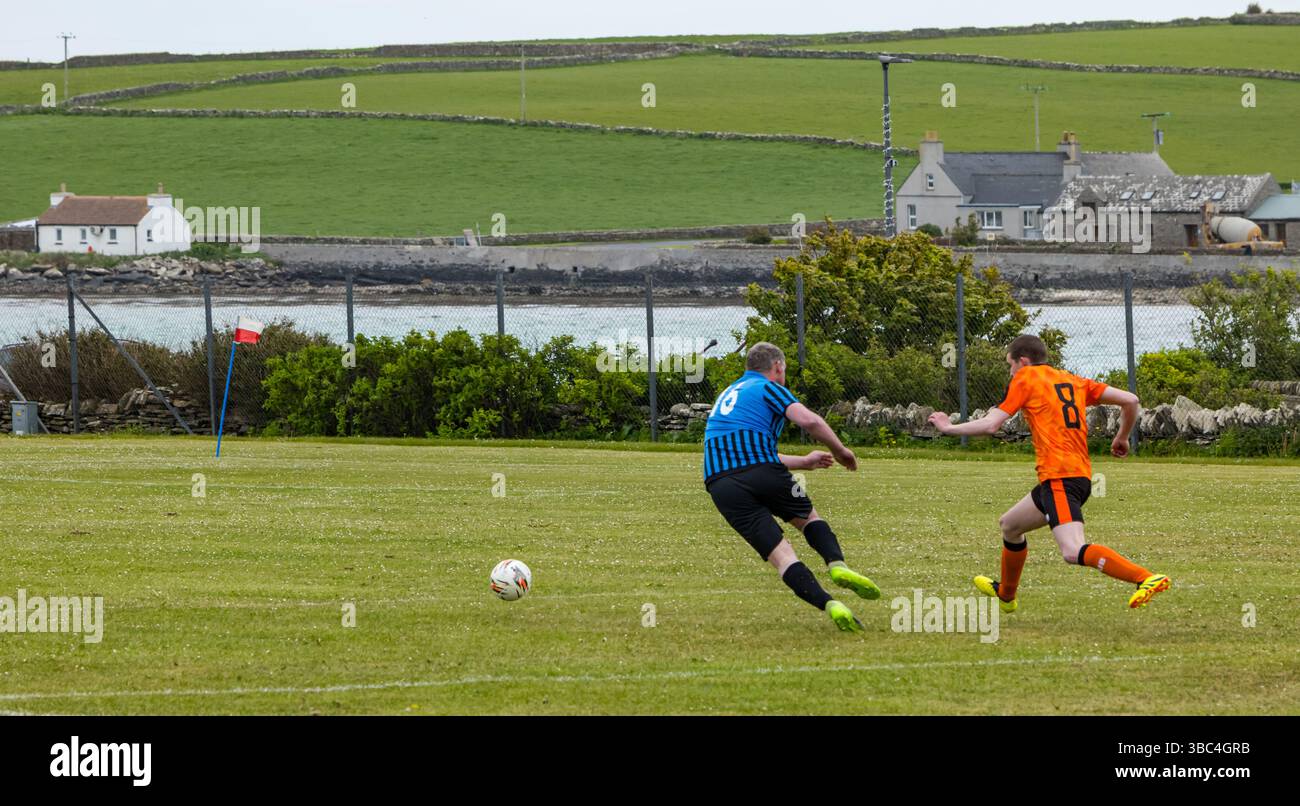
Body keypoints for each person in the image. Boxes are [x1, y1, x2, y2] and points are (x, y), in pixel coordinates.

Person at [928, 334, 1171, 612]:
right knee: (1010, 525)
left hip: (1061, 478)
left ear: (1023, 361)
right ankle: (1006, 595)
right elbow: (1131, 399)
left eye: (1010, 365)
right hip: (1071, 476)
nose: (1011, 372)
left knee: (1072, 551)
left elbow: (991, 425)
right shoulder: (1072, 380)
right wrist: (1122, 437)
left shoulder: (1025, 378)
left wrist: (949, 428)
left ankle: (1145, 578)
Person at [704, 342, 880, 632]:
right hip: (764, 472)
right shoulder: (767, 386)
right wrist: (839, 450)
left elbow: (746, 452)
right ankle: (837, 565)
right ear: (777, 368)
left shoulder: (727, 394)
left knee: (782, 557)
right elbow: (809, 420)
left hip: (720, 484)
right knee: (809, 518)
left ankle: (830, 604)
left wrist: (805, 462)